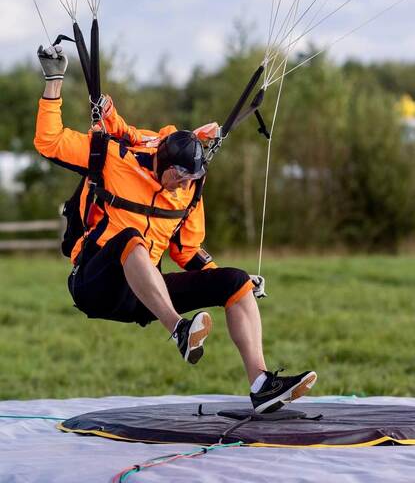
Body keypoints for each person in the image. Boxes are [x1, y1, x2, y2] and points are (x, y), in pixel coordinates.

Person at [34, 44, 317, 413]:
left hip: (142, 294)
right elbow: (49, 140)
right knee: (130, 240)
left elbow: (185, 253)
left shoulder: (189, 191)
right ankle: (179, 330)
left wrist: (235, 279)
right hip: (94, 283)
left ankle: (262, 384)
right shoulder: (114, 160)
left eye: (193, 177)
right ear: (162, 163)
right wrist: (54, 81)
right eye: (180, 176)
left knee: (234, 282)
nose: (185, 183)